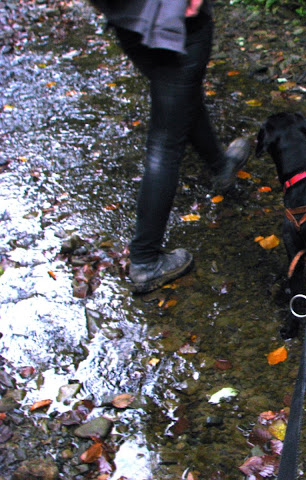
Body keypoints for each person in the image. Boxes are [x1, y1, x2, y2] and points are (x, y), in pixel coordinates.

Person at [88, 0, 250, 293]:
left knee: (180, 94)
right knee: (165, 141)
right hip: (174, 20)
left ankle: (220, 166)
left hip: (129, 19)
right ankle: (145, 260)